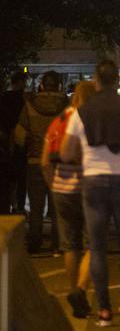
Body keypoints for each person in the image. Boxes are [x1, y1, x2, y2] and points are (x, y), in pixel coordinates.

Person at [61, 60, 120, 326]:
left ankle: (103, 311)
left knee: (97, 247)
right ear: (118, 82)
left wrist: (82, 154)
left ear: (96, 81)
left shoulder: (82, 113)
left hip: (93, 182)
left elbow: (65, 152)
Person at [41, 81, 96, 318]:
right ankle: (81, 290)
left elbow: (45, 160)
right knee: (96, 244)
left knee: (70, 245)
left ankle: (74, 290)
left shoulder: (58, 120)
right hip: (87, 189)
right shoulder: (90, 121)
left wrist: (52, 184)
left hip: (61, 189)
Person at [19, 71, 69, 255]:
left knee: (36, 207)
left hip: (35, 161)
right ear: (58, 86)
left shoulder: (30, 106)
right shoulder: (66, 106)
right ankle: (57, 244)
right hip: (59, 162)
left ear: (42, 85)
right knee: (57, 208)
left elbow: (19, 137)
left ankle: (34, 243)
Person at [0, 71, 28, 214]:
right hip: (21, 141)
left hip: (6, 141)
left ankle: (7, 204)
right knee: (21, 176)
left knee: (7, 176)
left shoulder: (4, 98)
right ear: (19, 82)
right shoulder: (25, 99)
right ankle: (20, 205)